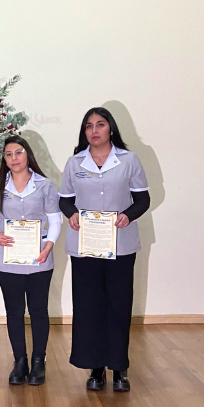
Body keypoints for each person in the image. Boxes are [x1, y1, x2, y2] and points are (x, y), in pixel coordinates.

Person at [59, 107, 150, 392]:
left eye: (100, 124)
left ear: (111, 129)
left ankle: (120, 369)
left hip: (120, 244)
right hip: (85, 246)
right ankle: (95, 369)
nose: (94, 130)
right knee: (89, 307)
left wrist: (129, 215)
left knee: (118, 306)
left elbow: (142, 199)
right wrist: (72, 214)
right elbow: (65, 201)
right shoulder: (75, 163)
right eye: (88, 126)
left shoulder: (129, 160)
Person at [0, 135, 61, 386]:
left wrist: (48, 245)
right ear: (4, 159)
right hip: (8, 259)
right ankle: (20, 361)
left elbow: (55, 219)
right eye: (8, 154)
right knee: (14, 311)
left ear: (27, 154)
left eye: (18, 152)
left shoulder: (45, 185)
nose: (14, 158)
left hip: (39, 256)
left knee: (39, 310)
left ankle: (39, 361)